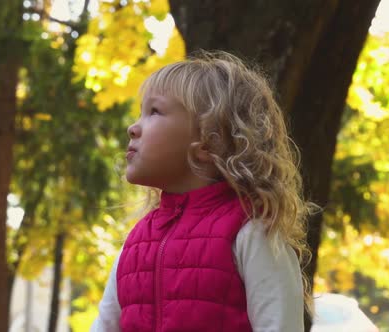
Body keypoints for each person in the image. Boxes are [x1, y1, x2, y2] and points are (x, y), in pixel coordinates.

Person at [91, 50, 315, 332]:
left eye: (154, 112)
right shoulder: (136, 243)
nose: (132, 128)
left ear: (209, 142)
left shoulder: (250, 231)